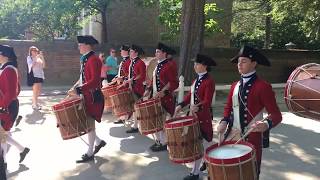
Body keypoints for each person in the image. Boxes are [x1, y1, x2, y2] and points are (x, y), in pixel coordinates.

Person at [216, 45, 282, 178]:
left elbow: (276, 115)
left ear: (254, 63)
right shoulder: (235, 85)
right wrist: (223, 121)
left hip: (251, 139)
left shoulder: (263, 86)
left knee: (249, 173)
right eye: (238, 61)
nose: (239, 64)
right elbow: (228, 108)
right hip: (232, 135)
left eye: (244, 61)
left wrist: (266, 124)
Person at [175, 54, 216, 180]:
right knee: (201, 144)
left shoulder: (209, 81)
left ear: (205, 66)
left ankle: (196, 173)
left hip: (203, 117)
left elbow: (207, 101)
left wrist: (198, 106)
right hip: (194, 116)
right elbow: (189, 96)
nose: (194, 66)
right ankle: (204, 165)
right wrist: (181, 105)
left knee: (202, 144)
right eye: (194, 64)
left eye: (197, 64)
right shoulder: (196, 80)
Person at [68, 35, 106, 163]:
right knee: (88, 123)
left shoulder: (94, 59)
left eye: (80, 44)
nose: (78, 47)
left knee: (90, 124)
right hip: (86, 94)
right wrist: (74, 87)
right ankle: (98, 142)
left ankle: (90, 152)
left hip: (93, 96)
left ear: (87, 45)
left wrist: (79, 90)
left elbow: (95, 81)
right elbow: (82, 77)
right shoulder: (85, 59)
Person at [0, 45, 30, 171]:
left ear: (4, 55)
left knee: (2, 135)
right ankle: (22, 150)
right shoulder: (6, 68)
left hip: (6, 107)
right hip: (6, 106)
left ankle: (4, 163)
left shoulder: (9, 70)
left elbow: (12, 92)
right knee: (3, 134)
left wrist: (2, 106)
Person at [144, 42, 178, 151]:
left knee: (160, 121)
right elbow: (154, 80)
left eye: (158, 51)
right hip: (155, 97)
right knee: (156, 120)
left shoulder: (169, 65)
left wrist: (163, 91)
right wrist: (149, 90)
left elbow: (173, 82)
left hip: (164, 97)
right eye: (156, 51)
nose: (156, 53)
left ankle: (163, 143)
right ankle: (158, 141)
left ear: (164, 53)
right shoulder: (158, 64)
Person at [124, 44, 146, 133]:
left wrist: (132, 79)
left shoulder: (140, 63)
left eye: (132, 51)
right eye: (130, 51)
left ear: (136, 53)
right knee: (135, 107)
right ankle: (136, 125)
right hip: (132, 87)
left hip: (138, 88)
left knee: (137, 107)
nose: (130, 53)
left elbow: (142, 75)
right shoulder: (133, 62)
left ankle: (137, 125)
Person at [113, 45, 131, 124]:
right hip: (121, 83)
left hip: (125, 84)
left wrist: (122, 78)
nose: (120, 52)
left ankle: (124, 118)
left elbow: (129, 74)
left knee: (124, 102)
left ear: (126, 51)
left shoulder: (128, 61)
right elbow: (120, 72)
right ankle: (122, 117)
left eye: (121, 51)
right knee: (122, 102)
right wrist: (116, 77)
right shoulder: (123, 61)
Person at [27, 46, 45, 110]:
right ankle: (35, 104)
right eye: (33, 50)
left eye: (36, 50)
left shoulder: (39, 58)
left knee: (39, 91)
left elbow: (43, 66)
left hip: (40, 75)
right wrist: (36, 58)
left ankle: (35, 102)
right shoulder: (29, 58)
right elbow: (31, 66)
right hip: (34, 75)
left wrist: (42, 57)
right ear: (31, 51)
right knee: (35, 91)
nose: (35, 51)